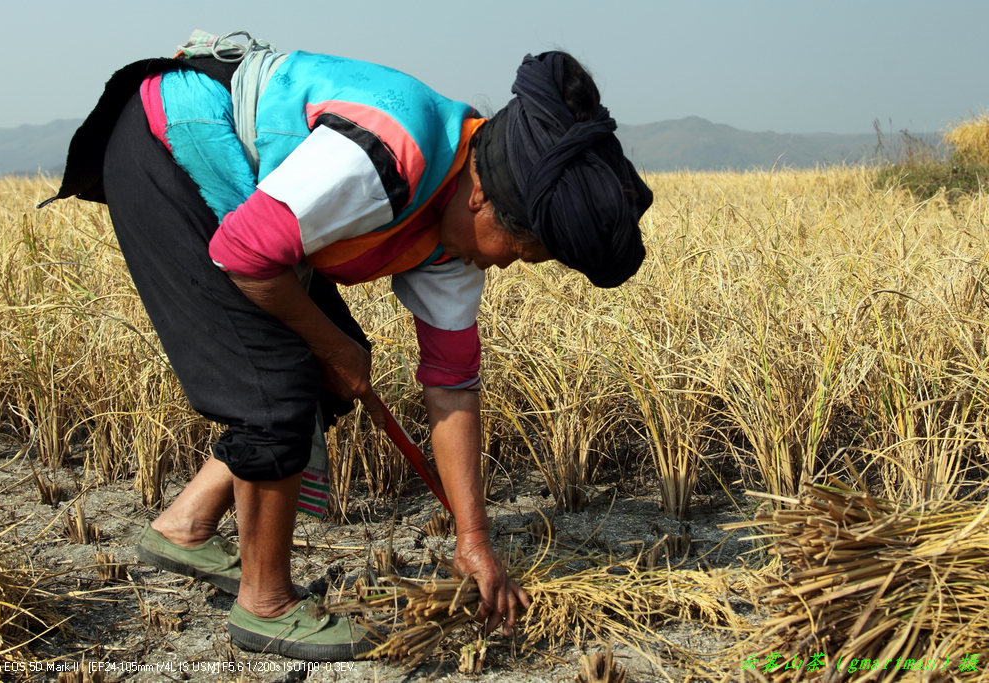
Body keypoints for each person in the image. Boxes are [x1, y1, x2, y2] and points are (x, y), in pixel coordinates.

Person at [44, 31, 652, 661]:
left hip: (241, 206)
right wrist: (331, 347)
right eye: (523, 252)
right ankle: (266, 604)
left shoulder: (459, 236)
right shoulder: (389, 156)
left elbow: (452, 382)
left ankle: (187, 527)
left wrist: (473, 538)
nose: (510, 267)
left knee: (317, 370)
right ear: (483, 199)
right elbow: (246, 256)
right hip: (170, 147)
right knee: (279, 383)